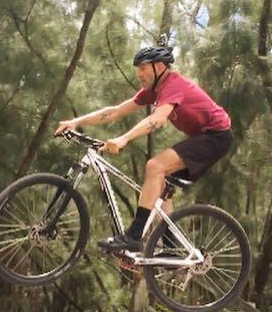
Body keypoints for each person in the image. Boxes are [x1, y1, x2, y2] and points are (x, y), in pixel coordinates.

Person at [54, 42, 232, 252]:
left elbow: (157, 119)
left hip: (216, 137)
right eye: (137, 69)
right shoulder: (153, 91)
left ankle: (133, 236)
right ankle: (172, 248)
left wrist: (124, 138)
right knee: (160, 184)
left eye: (143, 68)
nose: (139, 73)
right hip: (203, 138)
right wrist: (76, 122)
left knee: (155, 166)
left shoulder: (173, 85)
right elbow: (116, 111)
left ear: (159, 67)